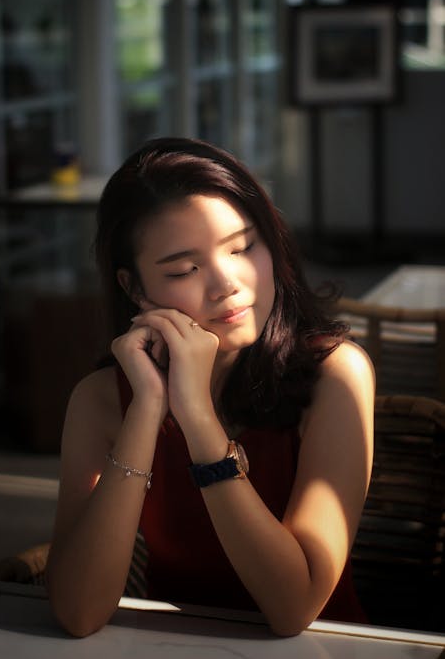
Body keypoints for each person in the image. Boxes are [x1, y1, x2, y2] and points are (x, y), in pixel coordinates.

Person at [46, 136, 374, 638]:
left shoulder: (336, 374)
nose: (227, 283)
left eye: (243, 247)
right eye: (184, 269)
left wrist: (197, 418)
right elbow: (78, 612)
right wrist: (148, 406)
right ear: (134, 288)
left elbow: (294, 607)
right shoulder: (100, 400)